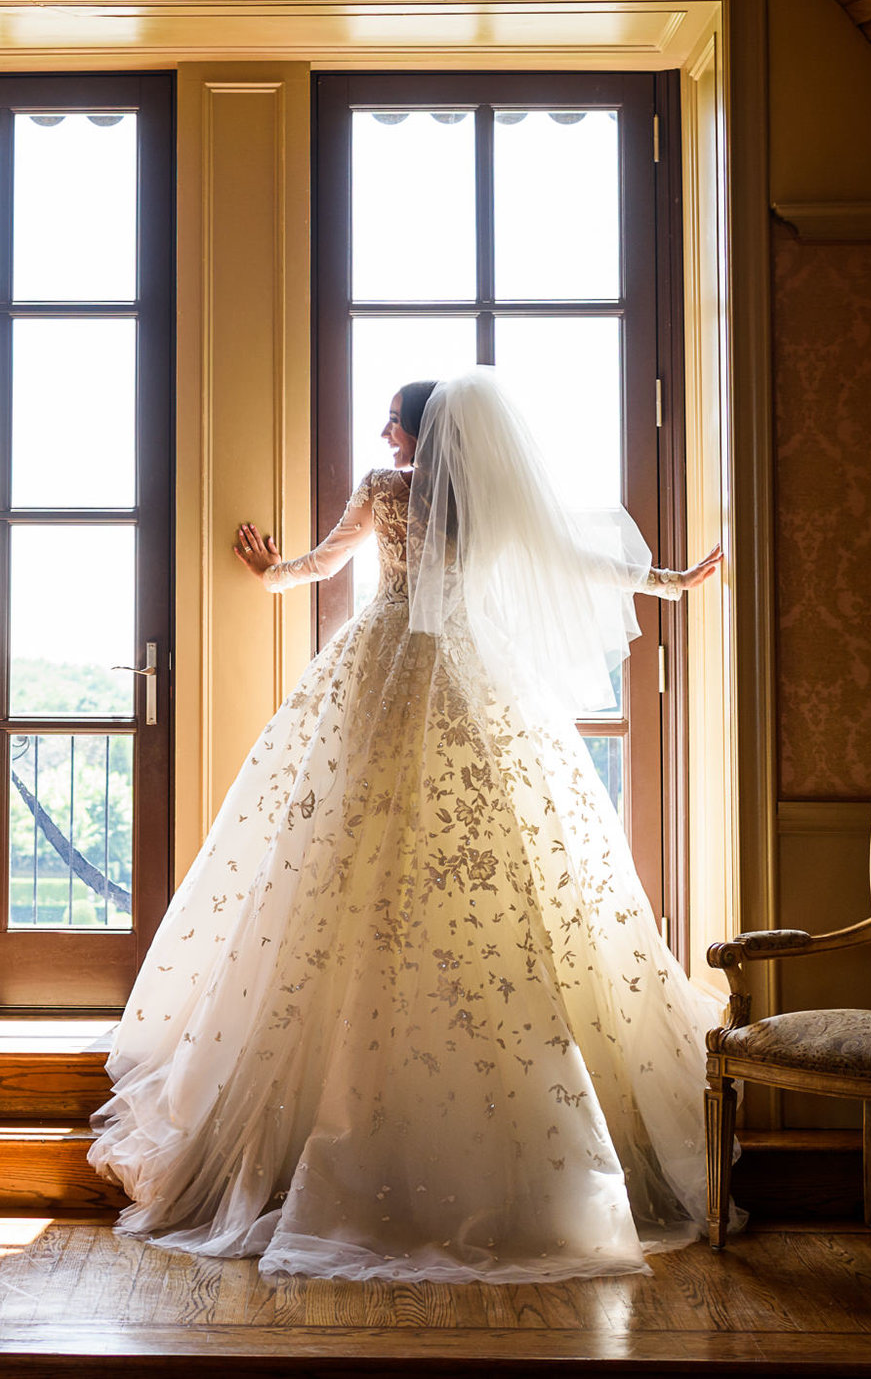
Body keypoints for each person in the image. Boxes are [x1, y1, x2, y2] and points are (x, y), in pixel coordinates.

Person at [89, 369, 727, 1282]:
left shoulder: (388, 492)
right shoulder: (483, 502)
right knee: (482, 870)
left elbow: (321, 563)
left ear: (417, 431)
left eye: (392, 422)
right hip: (467, 679)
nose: (386, 435)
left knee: (348, 862)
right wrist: (673, 582)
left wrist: (273, 572)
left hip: (383, 677)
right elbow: (575, 559)